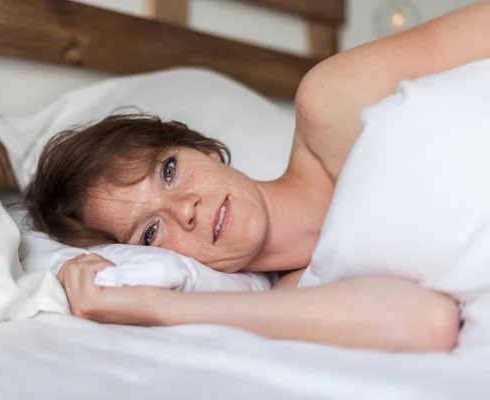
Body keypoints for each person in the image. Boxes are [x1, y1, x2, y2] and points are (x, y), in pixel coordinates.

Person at [24, 2, 490, 352]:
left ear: (205, 149)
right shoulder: (300, 298)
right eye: (150, 232)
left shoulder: (333, 100)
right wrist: (154, 306)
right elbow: (428, 322)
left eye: (168, 172)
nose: (184, 209)